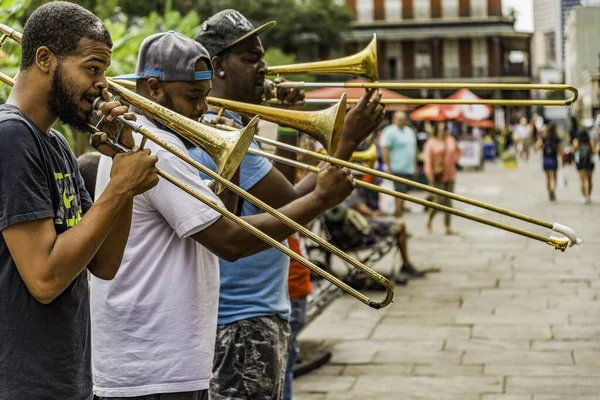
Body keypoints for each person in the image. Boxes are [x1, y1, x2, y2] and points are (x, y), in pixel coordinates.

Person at [91, 31, 354, 400]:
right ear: (153, 89)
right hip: (154, 368)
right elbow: (229, 240)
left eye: (205, 96)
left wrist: (225, 164)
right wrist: (321, 199)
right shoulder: (153, 149)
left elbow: (220, 222)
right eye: (193, 97)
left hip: (165, 364)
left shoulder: (154, 142)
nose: (202, 109)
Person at [193, 9, 385, 399]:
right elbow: (293, 205)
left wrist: (290, 122)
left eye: (261, 57)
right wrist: (345, 142)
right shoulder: (222, 132)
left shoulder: (235, 125)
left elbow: (277, 191)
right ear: (218, 67)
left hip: (253, 311)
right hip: (243, 317)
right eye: (250, 59)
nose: (264, 68)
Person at [0, 3, 160, 399]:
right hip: (22, 385)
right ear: (44, 59)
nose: (103, 84)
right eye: (92, 68)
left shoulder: (55, 144)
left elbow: (104, 265)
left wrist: (121, 165)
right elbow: (45, 279)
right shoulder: (11, 137)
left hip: (67, 380)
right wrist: (119, 188)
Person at [341, 180, 420, 282]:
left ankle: (406, 263)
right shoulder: (351, 190)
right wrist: (375, 214)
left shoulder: (350, 189)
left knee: (398, 222)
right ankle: (406, 264)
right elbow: (363, 210)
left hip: (358, 224)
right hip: (361, 227)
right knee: (400, 223)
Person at [424, 121, 462, 235]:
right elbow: (428, 161)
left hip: (450, 174)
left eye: (444, 129)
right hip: (437, 176)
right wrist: (430, 176)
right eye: (440, 130)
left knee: (449, 203)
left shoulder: (451, 140)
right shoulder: (431, 143)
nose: (442, 132)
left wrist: (454, 161)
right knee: (438, 201)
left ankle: (448, 226)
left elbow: (458, 151)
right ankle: (430, 219)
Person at [380, 111, 417, 219]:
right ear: (394, 119)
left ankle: (400, 216)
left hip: (408, 168)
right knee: (399, 194)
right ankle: (398, 218)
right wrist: (388, 166)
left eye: (403, 119)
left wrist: (415, 166)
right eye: (399, 119)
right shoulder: (389, 131)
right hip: (396, 168)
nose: (401, 121)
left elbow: (413, 150)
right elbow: (385, 149)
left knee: (404, 194)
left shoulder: (409, 131)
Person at [534, 124, 562, 201]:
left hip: (546, 159)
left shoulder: (544, 138)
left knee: (548, 178)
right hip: (554, 159)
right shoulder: (556, 138)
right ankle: (553, 189)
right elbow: (560, 150)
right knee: (555, 177)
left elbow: (536, 147)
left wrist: (541, 146)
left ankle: (549, 192)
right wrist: (562, 160)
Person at [573, 129, 597, 204]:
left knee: (582, 180)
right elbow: (594, 152)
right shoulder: (590, 141)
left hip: (581, 163)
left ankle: (584, 197)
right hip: (589, 163)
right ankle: (589, 196)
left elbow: (573, 151)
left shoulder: (577, 141)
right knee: (589, 180)